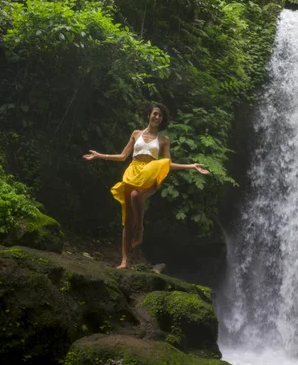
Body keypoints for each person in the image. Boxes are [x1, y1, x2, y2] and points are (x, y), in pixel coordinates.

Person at [83, 103, 209, 269]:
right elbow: (123, 156)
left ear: (162, 120)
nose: (157, 117)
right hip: (132, 171)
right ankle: (124, 261)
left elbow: (168, 163)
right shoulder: (136, 134)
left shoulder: (164, 140)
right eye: (155, 114)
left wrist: (191, 166)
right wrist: (100, 155)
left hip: (150, 172)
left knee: (136, 195)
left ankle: (140, 229)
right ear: (149, 114)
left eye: (160, 116)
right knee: (127, 219)